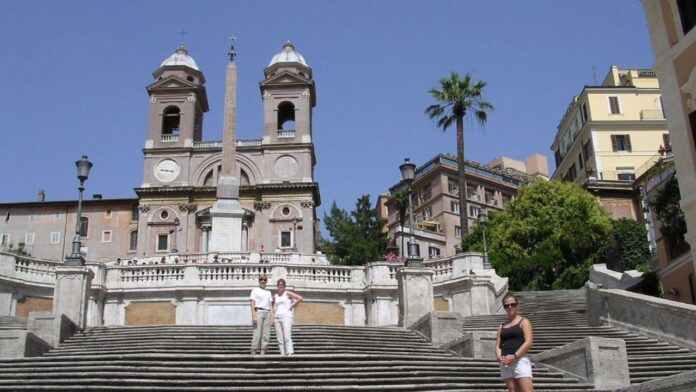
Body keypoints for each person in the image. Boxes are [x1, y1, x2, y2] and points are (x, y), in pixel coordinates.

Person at [496, 292, 534, 392]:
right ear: (504, 307)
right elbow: (498, 345)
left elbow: (529, 342)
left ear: (517, 305)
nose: (510, 307)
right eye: (507, 305)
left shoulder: (524, 322)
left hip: (520, 360)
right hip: (506, 363)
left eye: (513, 304)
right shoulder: (502, 326)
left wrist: (514, 356)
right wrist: (499, 357)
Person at [272, 278, 303, 356]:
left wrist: (291, 306)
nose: (280, 286)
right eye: (279, 284)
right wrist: (274, 311)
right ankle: (282, 353)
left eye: (282, 284)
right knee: (279, 338)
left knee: (287, 335)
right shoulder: (275, 296)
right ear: (277, 286)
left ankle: (289, 352)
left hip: (286, 316)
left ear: (284, 286)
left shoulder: (287, 293)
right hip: (277, 316)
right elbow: (272, 305)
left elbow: (300, 298)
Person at [250, 275, 273, 356]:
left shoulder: (268, 292)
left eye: (264, 280)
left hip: (267, 313)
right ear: (259, 281)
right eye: (261, 279)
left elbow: (270, 305)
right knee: (257, 334)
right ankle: (254, 351)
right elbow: (252, 303)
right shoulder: (255, 290)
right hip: (258, 312)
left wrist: (272, 318)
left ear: (266, 281)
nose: (263, 281)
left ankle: (263, 351)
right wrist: (253, 315)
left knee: (266, 334)